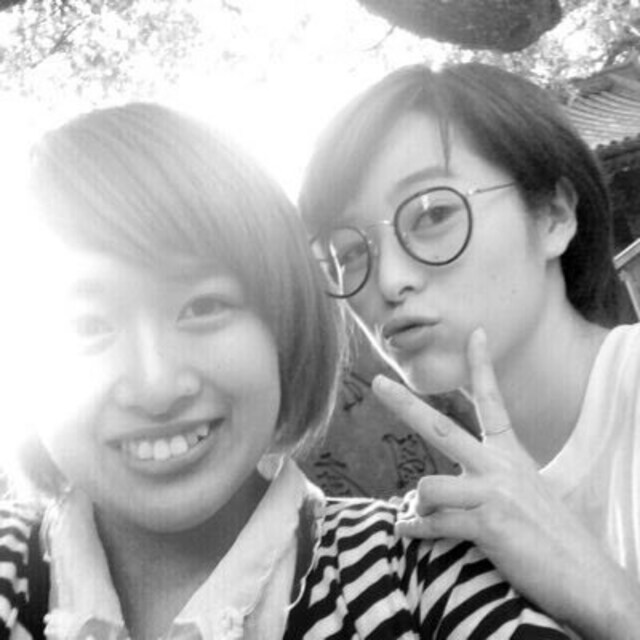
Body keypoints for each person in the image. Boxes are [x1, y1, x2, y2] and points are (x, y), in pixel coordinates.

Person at [0, 102, 570, 640]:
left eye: (203, 306)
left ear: (283, 324)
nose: (157, 388)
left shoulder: (421, 570)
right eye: (86, 326)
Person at [299, 61, 640, 640]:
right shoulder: (451, 531)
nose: (389, 281)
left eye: (433, 214)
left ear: (554, 216)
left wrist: (606, 597)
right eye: (348, 253)